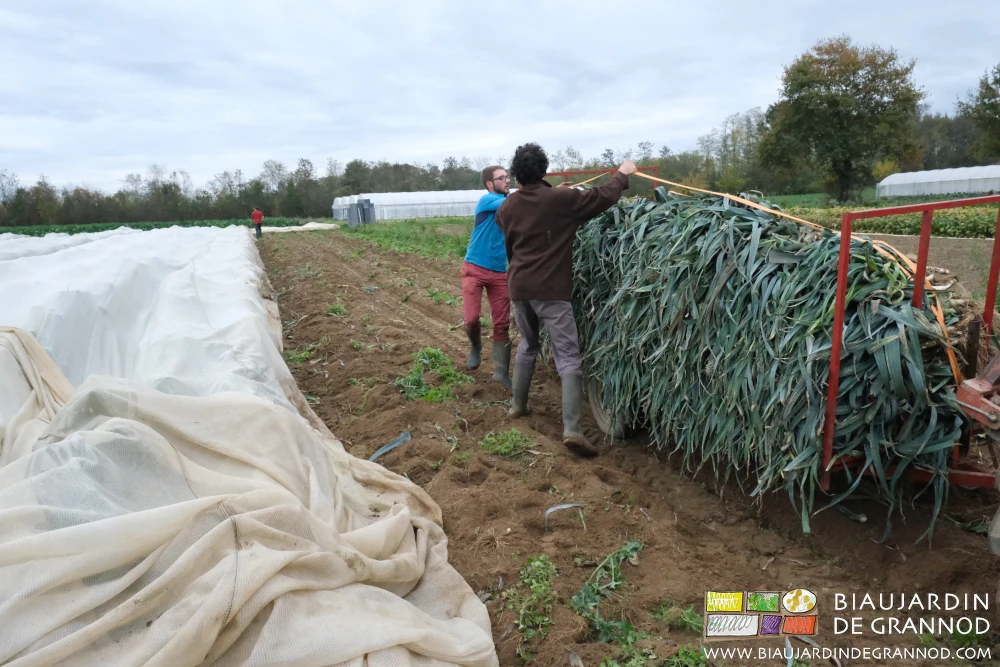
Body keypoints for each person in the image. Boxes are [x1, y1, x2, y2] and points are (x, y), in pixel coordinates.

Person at [495, 143, 636, 457]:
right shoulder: (561, 200)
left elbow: (523, 215)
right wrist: (622, 174)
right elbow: (604, 196)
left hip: (518, 288)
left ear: (516, 174)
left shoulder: (508, 206)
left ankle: (517, 406)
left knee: (529, 344)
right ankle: (572, 429)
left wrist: (553, 194)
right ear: (544, 171)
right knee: (568, 356)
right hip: (551, 291)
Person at [461, 165, 513, 388]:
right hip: (475, 267)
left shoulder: (511, 205)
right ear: (489, 184)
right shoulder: (488, 200)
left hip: (499, 270)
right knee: (471, 319)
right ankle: (476, 346)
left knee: (502, 324)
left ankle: (501, 374)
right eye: (501, 178)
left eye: (507, 176)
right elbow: (522, 201)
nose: (507, 180)